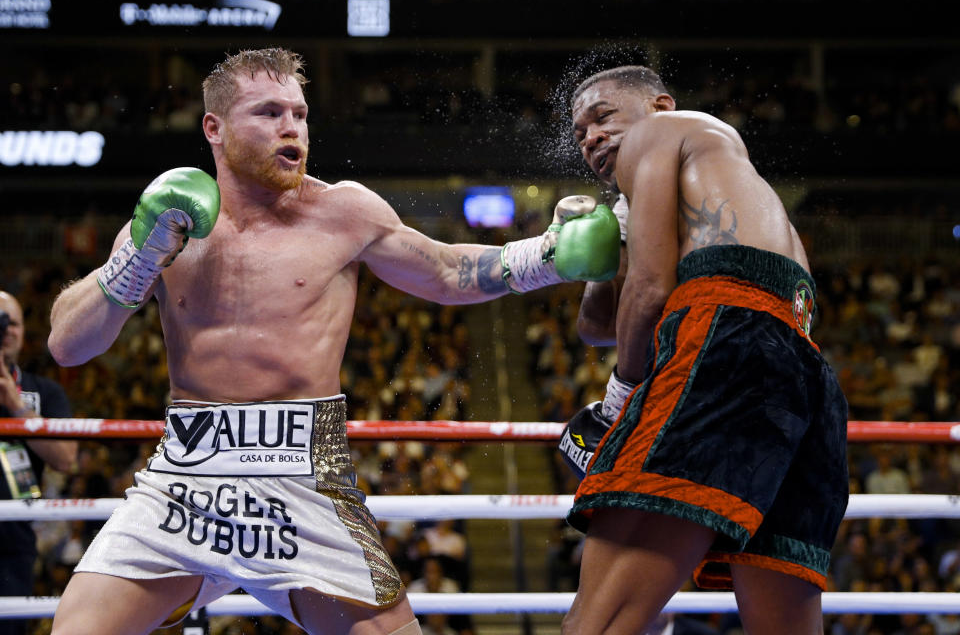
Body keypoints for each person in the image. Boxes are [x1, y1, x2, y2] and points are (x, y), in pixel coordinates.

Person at [45, 47, 620, 635]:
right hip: (185, 478)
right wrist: (137, 263)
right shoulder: (167, 221)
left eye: (299, 113)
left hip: (303, 476)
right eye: (269, 112)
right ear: (213, 129)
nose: (291, 127)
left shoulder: (341, 211)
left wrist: (547, 256)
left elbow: (446, 271)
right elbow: (67, 345)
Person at [558, 65, 849, 633]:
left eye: (602, 116)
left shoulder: (663, 132)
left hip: (726, 338)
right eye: (578, 132)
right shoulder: (704, 175)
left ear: (659, 106)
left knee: (595, 624)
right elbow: (595, 324)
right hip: (801, 368)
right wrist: (602, 240)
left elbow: (650, 292)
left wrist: (620, 397)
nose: (590, 136)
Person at [0, 291, 76, 635]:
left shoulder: (43, 392)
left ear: (22, 332)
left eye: (11, 322)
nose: (4, 329)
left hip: (13, 539)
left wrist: (17, 408)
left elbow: (66, 458)